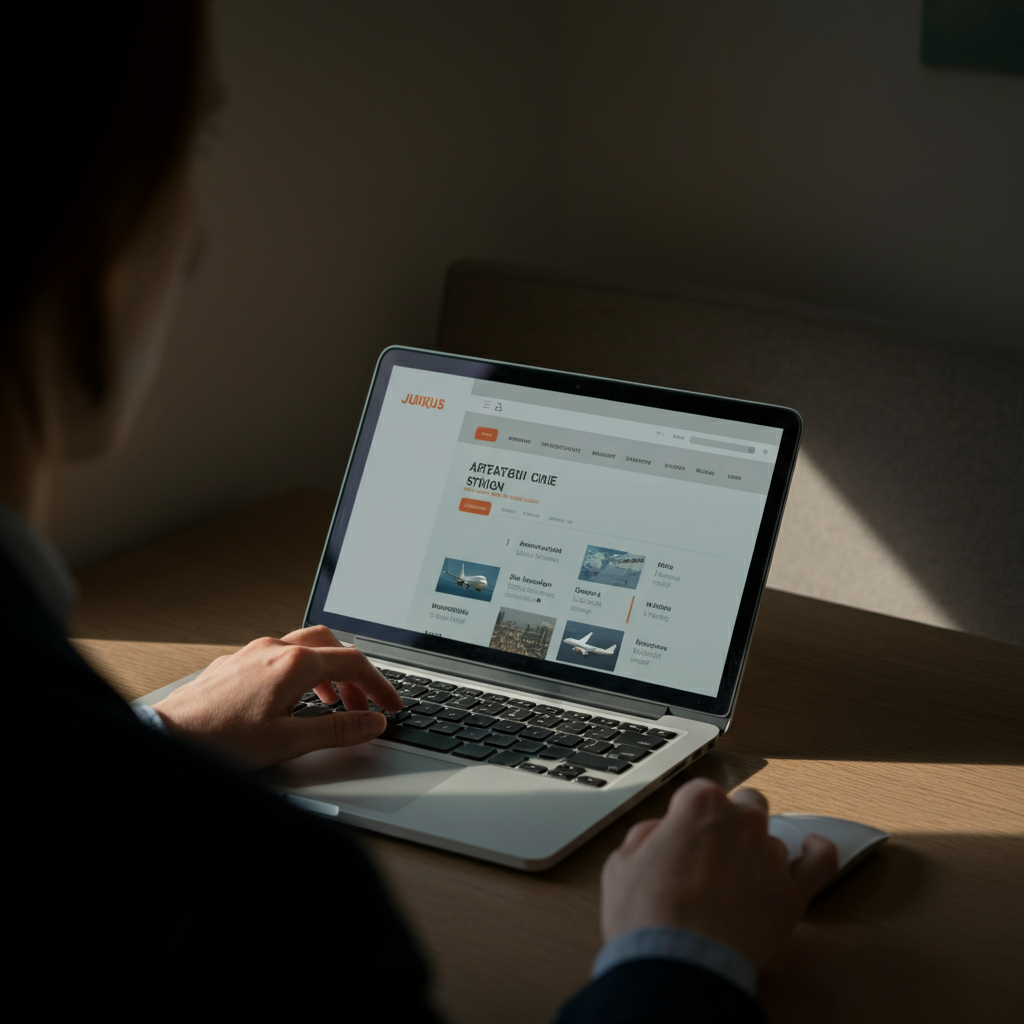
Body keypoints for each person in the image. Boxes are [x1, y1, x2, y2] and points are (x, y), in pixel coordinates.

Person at [3, 3, 838, 1017]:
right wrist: (679, 955)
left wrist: (156, 734)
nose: (194, 249)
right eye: (191, 146)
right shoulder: (255, 902)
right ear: (87, 216)